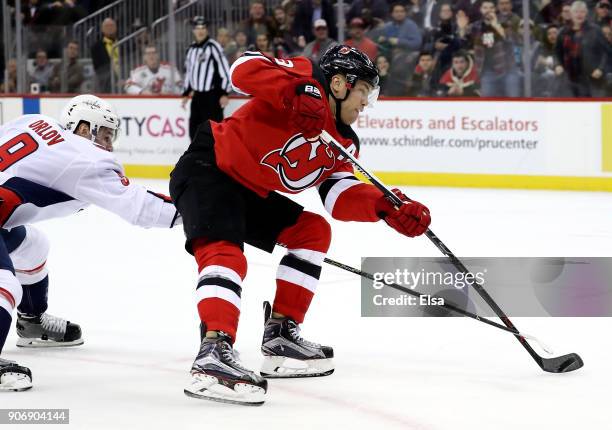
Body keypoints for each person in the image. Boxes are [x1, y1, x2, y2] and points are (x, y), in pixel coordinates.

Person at [169, 45, 432, 406]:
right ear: (339, 83)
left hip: (250, 190)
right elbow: (243, 68)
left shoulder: (344, 142)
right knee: (225, 252)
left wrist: (383, 206)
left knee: (312, 231)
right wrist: (295, 91)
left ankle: (280, 334)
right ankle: (213, 351)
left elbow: (338, 196)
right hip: (210, 168)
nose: (366, 103)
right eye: (364, 92)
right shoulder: (304, 74)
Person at [0, 94, 180, 391]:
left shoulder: (36, 121)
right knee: (6, 284)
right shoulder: (85, 156)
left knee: (32, 247)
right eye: (106, 134)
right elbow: (141, 208)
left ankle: (31, 321)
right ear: (84, 129)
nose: (109, 144)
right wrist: (198, 209)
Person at [182, 16, 232, 140]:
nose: (200, 31)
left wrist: (224, 92)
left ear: (207, 30)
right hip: (197, 97)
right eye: (197, 28)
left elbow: (225, 71)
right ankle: (197, 158)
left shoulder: (213, 47)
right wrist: (186, 92)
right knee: (194, 131)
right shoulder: (191, 49)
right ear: (193, 30)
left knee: (213, 132)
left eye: (203, 28)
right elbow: (189, 71)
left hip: (212, 97)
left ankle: (215, 159)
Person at [554, 1, 612, 97]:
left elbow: (606, 52)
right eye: (576, 11)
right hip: (569, 78)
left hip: (592, 79)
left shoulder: (596, 30)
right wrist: (557, 65)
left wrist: (600, 69)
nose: (579, 14)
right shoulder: (563, 32)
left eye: (582, 12)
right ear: (571, 13)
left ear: (586, 13)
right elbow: (556, 52)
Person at [90, 17, 118, 93]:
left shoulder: (124, 43)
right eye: (107, 26)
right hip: (106, 83)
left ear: (116, 28)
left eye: (112, 25)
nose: (110, 28)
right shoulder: (96, 47)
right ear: (102, 29)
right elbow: (99, 68)